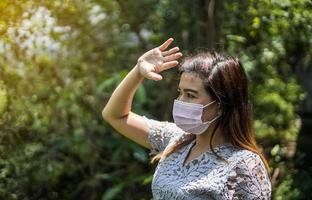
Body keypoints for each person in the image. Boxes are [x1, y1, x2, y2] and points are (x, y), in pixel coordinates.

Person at [102, 38, 271, 199]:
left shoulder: (245, 164)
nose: (180, 101)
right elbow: (115, 115)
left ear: (221, 104)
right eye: (180, 92)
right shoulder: (175, 140)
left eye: (190, 95)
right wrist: (138, 72)